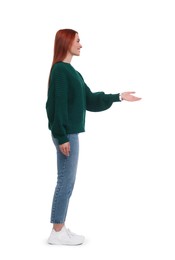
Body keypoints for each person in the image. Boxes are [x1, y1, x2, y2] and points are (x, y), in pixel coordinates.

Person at [46, 28, 141, 246]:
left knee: (68, 181)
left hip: (69, 133)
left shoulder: (73, 73)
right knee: (65, 181)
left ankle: (59, 227)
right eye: (78, 41)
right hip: (66, 134)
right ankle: (57, 232)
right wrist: (61, 137)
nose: (81, 44)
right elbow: (57, 105)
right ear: (67, 42)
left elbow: (90, 100)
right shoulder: (61, 70)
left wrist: (119, 97)